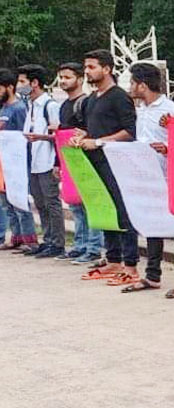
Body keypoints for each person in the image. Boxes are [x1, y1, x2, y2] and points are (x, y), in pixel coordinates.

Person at [122, 62, 174, 297]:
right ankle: (153, 274)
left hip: (169, 176)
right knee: (152, 225)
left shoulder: (172, 110)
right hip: (147, 176)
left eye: (132, 83)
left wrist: (167, 147)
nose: (130, 87)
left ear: (142, 85)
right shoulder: (141, 110)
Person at [70, 50, 140, 286]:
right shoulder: (90, 100)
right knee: (104, 210)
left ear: (107, 69)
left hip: (117, 163)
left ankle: (130, 264)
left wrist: (98, 142)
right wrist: (82, 137)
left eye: (91, 67)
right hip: (95, 162)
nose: (87, 72)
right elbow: (92, 130)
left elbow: (130, 132)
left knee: (122, 211)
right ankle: (113, 259)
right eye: (86, 67)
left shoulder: (119, 97)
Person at [56, 63, 104, 264]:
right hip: (69, 158)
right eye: (61, 77)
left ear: (80, 79)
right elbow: (59, 135)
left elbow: (90, 129)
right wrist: (57, 163)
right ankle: (80, 245)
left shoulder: (85, 103)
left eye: (68, 77)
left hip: (85, 158)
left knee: (89, 205)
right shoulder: (64, 105)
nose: (63, 81)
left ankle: (93, 248)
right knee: (75, 205)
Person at [17, 65, 64, 258]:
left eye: (22, 82)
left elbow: (59, 135)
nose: (19, 86)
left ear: (34, 83)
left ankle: (58, 243)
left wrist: (42, 138)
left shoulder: (49, 106)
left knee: (52, 203)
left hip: (46, 160)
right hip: (33, 161)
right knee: (40, 203)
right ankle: (48, 240)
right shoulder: (30, 105)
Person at [0, 68, 35, 251]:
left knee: (20, 201)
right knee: (7, 203)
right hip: (3, 163)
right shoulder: (3, 108)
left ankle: (29, 238)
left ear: (10, 87)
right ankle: (16, 236)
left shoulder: (19, 109)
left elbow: (24, 136)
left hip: (17, 163)